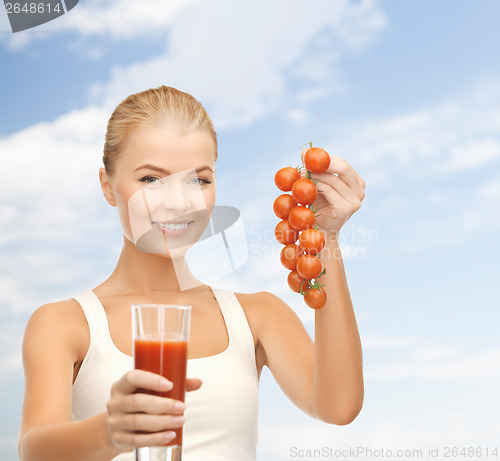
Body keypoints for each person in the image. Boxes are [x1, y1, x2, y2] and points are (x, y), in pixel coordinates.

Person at [18, 85, 365, 461]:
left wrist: (325, 235)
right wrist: (108, 433)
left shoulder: (256, 316)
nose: (179, 202)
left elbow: (338, 407)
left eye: (199, 179)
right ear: (108, 186)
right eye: (151, 179)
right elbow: (34, 449)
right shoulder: (65, 323)